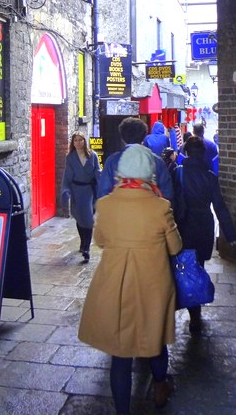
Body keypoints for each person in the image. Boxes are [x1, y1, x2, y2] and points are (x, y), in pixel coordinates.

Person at [78, 144, 182, 413]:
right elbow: (175, 247)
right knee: (155, 342)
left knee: (120, 354)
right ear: (149, 172)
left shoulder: (106, 204)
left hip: (116, 284)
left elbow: (100, 241)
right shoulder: (161, 207)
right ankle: (160, 387)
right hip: (152, 284)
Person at [175, 135, 236, 333]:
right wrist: (230, 234)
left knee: (183, 266)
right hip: (203, 225)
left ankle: (185, 304)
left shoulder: (178, 173)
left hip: (183, 226)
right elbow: (219, 207)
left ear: (186, 152)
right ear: (202, 154)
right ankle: (196, 312)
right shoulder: (210, 176)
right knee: (199, 266)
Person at [97, 117, 175, 205]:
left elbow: (103, 193)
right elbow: (167, 194)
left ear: (122, 137)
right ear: (144, 136)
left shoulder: (112, 161)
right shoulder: (157, 161)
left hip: (119, 212)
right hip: (149, 212)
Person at [60, 132, 102, 263]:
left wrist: (103, 188)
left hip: (89, 191)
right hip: (76, 191)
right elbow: (67, 175)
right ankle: (83, 241)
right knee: (79, 217)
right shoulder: (70, 157)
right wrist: (65, 190)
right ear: (73, 143)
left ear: (85, 141)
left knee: (88, 219)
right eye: (75, 140)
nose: (78, 142)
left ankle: (86, 248)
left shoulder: (93, 155)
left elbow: (98, 172)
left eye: (80, 140)